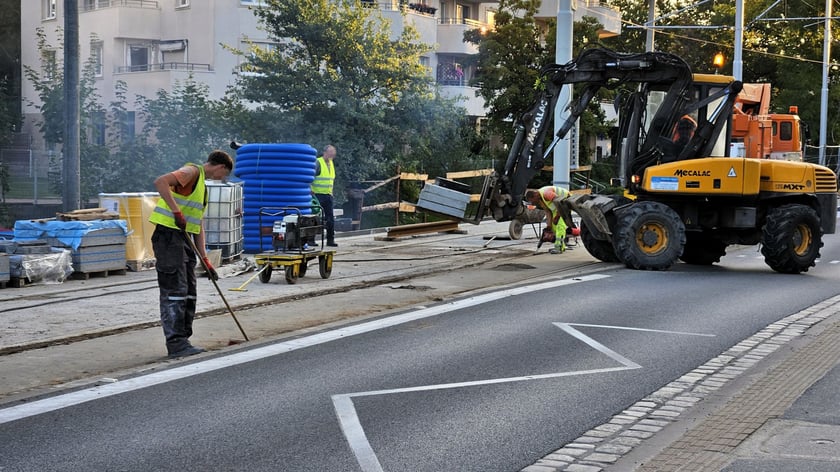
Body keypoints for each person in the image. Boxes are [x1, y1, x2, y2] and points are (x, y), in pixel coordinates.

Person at [149, 150, 234, 358]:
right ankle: (176, 343)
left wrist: (205, 259)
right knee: (175, 290)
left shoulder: (201, 188)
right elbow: (160, 182)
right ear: (221, 167)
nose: (222, 178)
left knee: (188, 291)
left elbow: (197, 225)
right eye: (224, 174)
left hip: (184, 238)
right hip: (169, 236)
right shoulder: (192, 171)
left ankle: (183, 339)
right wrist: (176, 212)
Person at [525, 185, 573, 254]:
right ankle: (561, 246)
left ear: (535, 195)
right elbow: (548, 212)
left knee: (560, 226)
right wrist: (549, 226)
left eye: (532, 201)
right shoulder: (540, 200)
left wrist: (557, 216)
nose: (532, 203)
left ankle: (558, 248)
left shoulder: (547, 194)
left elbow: (560, 203)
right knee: (554, 227)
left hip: (566, 203)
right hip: (556, 209)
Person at [312, 144, 338, 247]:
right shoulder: (318, 162)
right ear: (325, 152)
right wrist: (310, 190)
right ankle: (311, 240)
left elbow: (330, 180)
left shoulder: (331, 163)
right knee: (315, 218)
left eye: (333, 152)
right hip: (317, 195)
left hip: (328, 195)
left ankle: (330, 240)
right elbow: (310, 177)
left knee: (330, 219)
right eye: (331, 152)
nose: (332, 154)